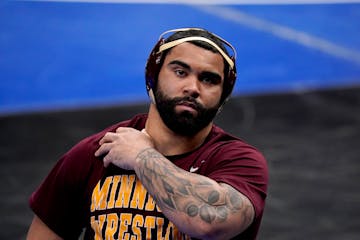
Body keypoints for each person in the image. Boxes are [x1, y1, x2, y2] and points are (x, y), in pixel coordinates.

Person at [27, 27, 268, 240]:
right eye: (180, 72)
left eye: (209, 79)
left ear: (223, 95)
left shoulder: (239, 162)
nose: (193, 88)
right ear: (152, 77)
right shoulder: (95, 153)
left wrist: (142, 156)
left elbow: (211, 223)